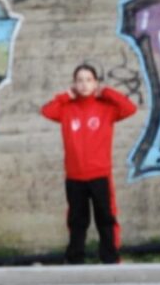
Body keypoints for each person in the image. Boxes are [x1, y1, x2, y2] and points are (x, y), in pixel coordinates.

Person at [40, 63, 137, 264]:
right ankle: (75, 260)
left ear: (96, 83)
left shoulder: (106, 108)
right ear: (74, 84)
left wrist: (107, 92)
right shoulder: (66, 108)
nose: (84, 84)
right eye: (80, 80)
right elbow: (47, 111)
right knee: (77, 221)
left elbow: (130, 108)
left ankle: (110, 259)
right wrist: (65, 96)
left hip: (100, 175)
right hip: (74, 177)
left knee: (106, 219)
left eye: (88, 80)